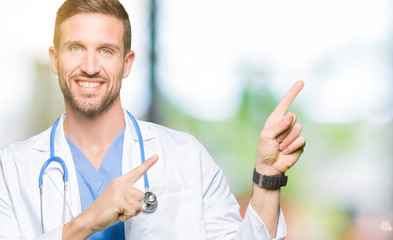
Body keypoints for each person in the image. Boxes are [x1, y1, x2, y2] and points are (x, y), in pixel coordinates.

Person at [0, 0, 306, 239]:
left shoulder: (186, 156)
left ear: (127, 62)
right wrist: (86, 222)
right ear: (55, 59)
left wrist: (267, 177)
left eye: (106, 51)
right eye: (76, 48)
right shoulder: (12, 168)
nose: (90, 66)